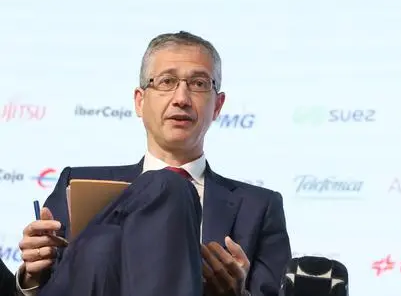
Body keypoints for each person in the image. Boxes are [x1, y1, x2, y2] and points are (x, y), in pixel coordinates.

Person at [15, 31, 291, 296]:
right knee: (106, 244)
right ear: (140, 101)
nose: (181, 99)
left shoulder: (259, 207)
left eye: (198, 84)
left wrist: (238, 294)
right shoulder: (75, 183)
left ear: (217, 106)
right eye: (166, 81)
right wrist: (32, 275)